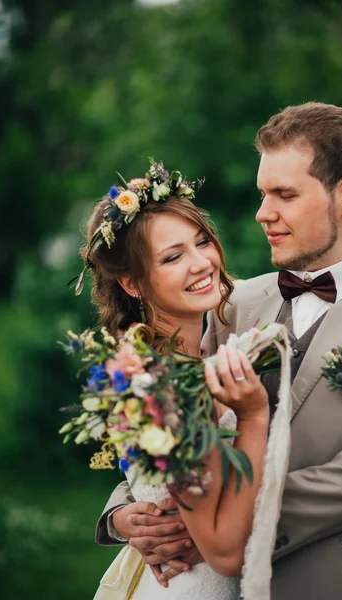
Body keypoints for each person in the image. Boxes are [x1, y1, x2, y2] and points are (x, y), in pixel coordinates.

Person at [98, 103, 342, 600]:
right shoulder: (229, 302)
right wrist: (129, 515)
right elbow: (172, 423)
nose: (263, 213)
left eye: (284, 194)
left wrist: (224, 520)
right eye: (263, 194)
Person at [81, 166, 271, 600]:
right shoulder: (151, 381)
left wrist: (125, 514)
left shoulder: (206, 345)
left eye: (202, 241)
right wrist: (253, 417)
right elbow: (221, 541)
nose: (202, 262)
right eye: (172, 257)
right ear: (131, 283)